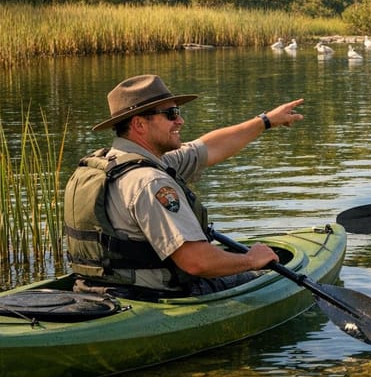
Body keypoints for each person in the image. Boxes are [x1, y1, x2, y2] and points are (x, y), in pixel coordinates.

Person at [64, 74, 305, 297]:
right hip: (155, 294)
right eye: (171, 114)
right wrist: (252, 260)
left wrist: (265, 121)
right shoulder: (150, 181)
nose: (180, 120)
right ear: (139, 125)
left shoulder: (112, 164)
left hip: (96, 287)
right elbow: (197, 262)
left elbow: (206, 148)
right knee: (267, 277)